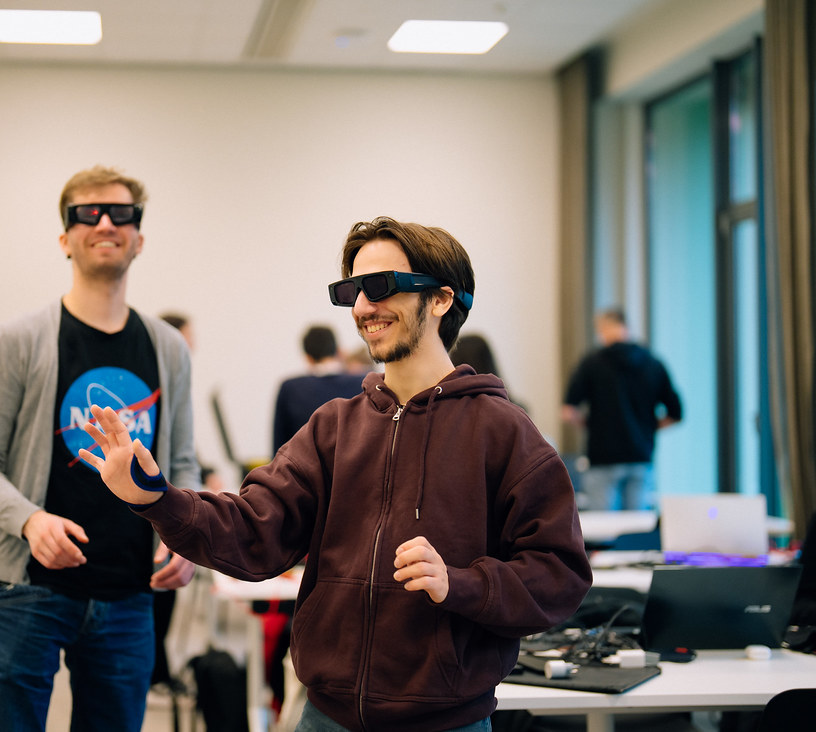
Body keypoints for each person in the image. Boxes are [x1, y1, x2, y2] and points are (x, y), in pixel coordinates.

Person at [81, 216, 593, 732]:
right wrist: (156, 498)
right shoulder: (334, 427)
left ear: (440, 299)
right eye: (352, 290)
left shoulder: (503, 432)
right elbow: (256, 530)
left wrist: (459, 583)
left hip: (446, 721)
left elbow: (559, 575)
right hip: (325, 717)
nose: (363, 307)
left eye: (381, 286)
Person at [0, 165, 200, 731]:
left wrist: (186, 535)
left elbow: (183, 463)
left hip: (129, 593)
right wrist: (30, 521)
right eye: (87, 213)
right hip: (28, 589)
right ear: (65, 238)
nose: (105, 223)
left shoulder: (168, 347)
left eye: (121, 214)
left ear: (139, 239)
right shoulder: (18, 340)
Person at [562, 306, 683, 511]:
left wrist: (591, 425)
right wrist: (647, 428)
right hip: (640, 457)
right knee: (637, 525)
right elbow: (676, 413)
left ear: (603, 328)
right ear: (627, 327)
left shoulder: (591, 363)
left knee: (602, 526)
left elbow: (568, 411)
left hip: (603, 457)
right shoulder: (652, 363)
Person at [272, 324, 366, 455]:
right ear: (338, 351)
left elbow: (279, 447)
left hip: (304, 466)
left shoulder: (290, 389)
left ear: (308, 357)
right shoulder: (362, 383)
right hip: (353, 465)